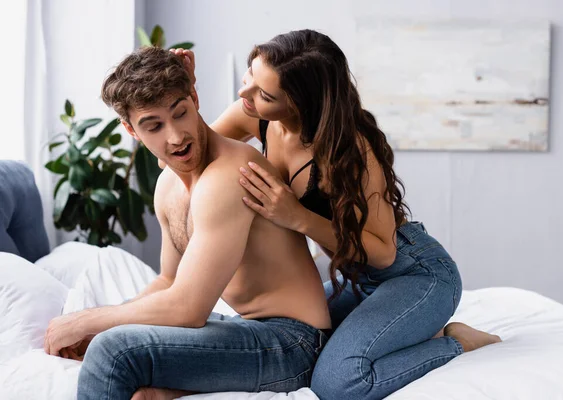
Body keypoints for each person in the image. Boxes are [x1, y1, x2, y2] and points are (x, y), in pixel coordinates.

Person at [173, 29, 502, 400]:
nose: (243, 95)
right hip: (357, 280)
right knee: (288, 341)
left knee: (337, 383)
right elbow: (188, 158)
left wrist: (297, 216)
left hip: (415, 275)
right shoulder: (254, 116)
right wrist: (186, 92)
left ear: (301, 103)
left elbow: (383, 253)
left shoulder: (350, 150)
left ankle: (456, 341)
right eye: (248, 77)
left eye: (264, 95)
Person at [43, 46, 331, 400]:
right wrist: (105, 325)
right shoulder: (167, 186)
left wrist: (85, 322)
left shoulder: (229, 176)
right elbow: (169, 280)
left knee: (113, 353)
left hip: (292, 344)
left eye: (180, 113)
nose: (176, 136)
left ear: (194, 98)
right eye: (154, 126)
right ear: (131, 130)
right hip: (249, 330)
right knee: (132, 378)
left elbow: (189, 309)